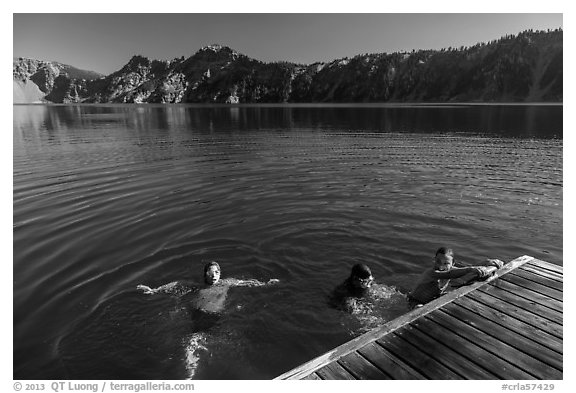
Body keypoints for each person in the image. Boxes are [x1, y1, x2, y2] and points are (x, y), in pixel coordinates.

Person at [137, 261, 279, 313]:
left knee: (197, 340)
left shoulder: (227, 282)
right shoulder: (197, 286)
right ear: (205, 275)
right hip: (198, 312)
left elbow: (246, 283)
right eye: (210, 273)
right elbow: (176, 284)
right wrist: (153, 290)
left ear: (220, 273)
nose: (214, 275)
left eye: (217, 272)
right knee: (193, 341)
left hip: (215, 313)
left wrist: (265, 284)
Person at [408, 247, 504, 308]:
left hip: (432, 299)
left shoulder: (452, 270)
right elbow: (451, 274)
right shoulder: (431, 272)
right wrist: (470, 269)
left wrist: (487, 262)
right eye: (438, 261)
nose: (441, 266)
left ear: (453, 264)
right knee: (419, 308)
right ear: (434, 260)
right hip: (415, 301)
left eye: (446, 263)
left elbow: (467, 268)